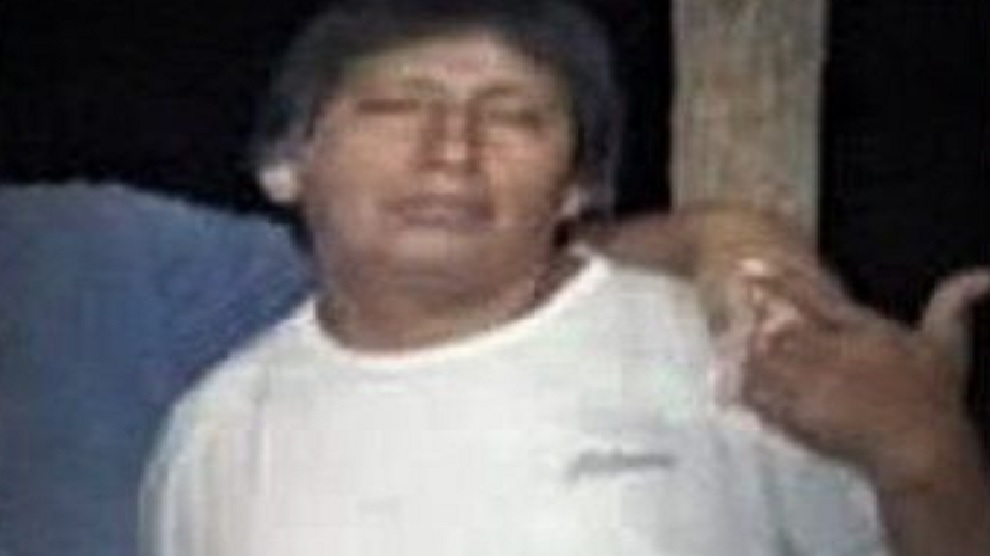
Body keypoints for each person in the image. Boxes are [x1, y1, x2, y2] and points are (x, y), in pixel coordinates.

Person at [139, 0, 990, 554]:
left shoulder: (736, 346)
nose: (452, 150)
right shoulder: (221, 432)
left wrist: (926, 455)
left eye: (514, 115)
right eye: (396, 106)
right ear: (287, 165)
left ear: (577, 188)